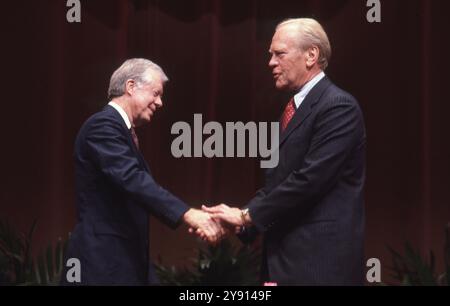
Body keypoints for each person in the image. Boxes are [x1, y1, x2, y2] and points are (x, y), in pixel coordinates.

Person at [203, 18, 366, 285]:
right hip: (285, 262)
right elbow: (278, 183)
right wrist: (240, 220)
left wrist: (246, 216)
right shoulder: (291, 110)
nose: (270, 63)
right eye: (271, 55)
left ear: (311, 55)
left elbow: (308, 180)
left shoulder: (338, 107)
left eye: (280, 53)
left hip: (319, 266)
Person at [62, 58, 224, 285]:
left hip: (125, 260)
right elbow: (132, 180)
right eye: (156, 93)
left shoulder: (122, 131)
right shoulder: (102, 126)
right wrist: (188, 214)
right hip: (102, 263)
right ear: (130, 87)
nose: (160, 102)